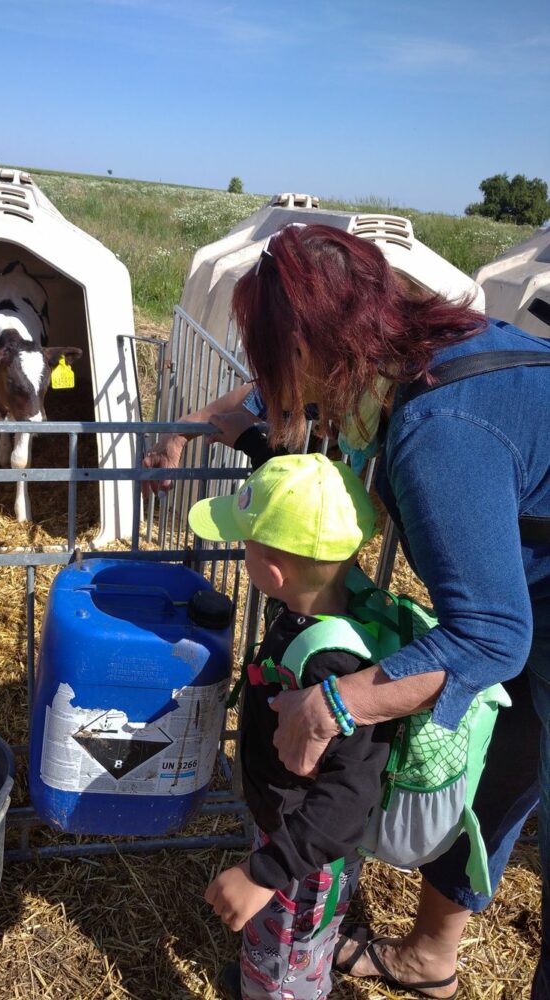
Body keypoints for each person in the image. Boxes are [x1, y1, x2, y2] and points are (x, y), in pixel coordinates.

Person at [145, 222, 550, 998]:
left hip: (527, 607)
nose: (271, 383)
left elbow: (494, 636)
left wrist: (336, 703)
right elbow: (268, 394)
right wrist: (194, 429)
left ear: (316, 349)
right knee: (493, 764)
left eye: (273, 357)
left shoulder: (438, 427)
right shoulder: (389, 358)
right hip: (527, 583)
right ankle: (432, 959)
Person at [188, 452, 390, 1000]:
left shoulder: (334, 665)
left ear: (272, 571)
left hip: (305, 853)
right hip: (286, 827)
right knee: (279, 949)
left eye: (246, 542)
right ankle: (263, 971)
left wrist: (265, 873)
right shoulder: (320, 607)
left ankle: (274, 985)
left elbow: (348, 796)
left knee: (291, 965)